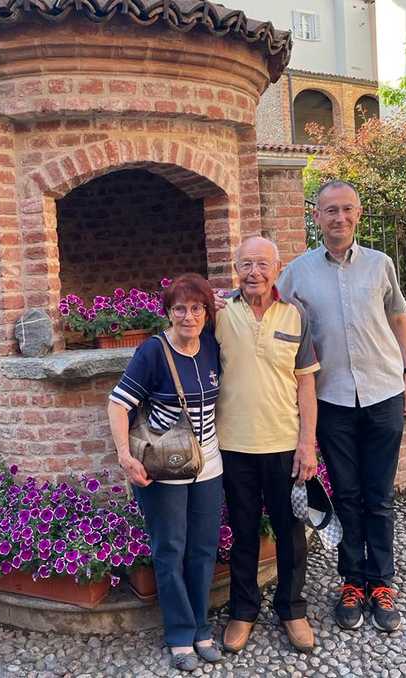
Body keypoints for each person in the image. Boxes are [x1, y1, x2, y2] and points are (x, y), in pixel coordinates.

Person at [277, 180, 406, 633]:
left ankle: (381, 582)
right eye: (329, 211)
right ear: (315, 217)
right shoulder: (297, 272)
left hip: (383, 394)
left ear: (358, 214)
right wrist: (226, 302)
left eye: (346, 210)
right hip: (331, 399)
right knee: (348, 496)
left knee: (379, 496)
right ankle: (351, 582)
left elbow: (399, 317)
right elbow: (268, 307)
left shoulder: (380, 265)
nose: (339, 218)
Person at [107, 274, 223, 672]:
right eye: (180, 309)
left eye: (196, 308)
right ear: (167, 312)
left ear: (207, 312)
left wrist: (224, 298)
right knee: (171, 549)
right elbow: (118, 404)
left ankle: (202, 628)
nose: (188, 316)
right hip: (163, 468)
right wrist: (125, 455)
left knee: (204, 549)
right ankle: (179, 634)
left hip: (209, 464)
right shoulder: (153, 352)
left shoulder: (210, 346)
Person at [215, 236, 320, 653]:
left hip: (284, 446)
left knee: (291, 532)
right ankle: (243, 611)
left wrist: (307, 443)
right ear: (235, 268)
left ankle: (292, 610)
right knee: (242, 533)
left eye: (262, 264)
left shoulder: (295, 314)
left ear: (278, 269)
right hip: (233, 445)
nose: (253, 272)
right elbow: (178, 337)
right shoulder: (218, 313)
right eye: (245, 264)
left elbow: (307, 382)